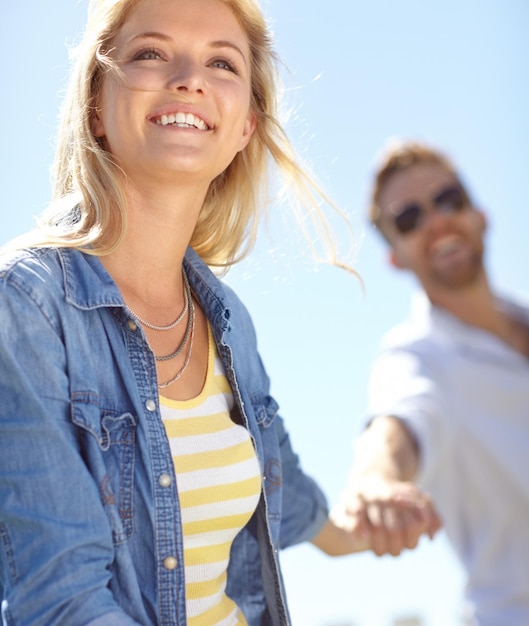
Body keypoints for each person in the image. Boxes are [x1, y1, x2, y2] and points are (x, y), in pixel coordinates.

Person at [0, 1, 369, 624]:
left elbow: (285, 494)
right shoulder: (26, 305)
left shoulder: (229, 321)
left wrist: (367, 526)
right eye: (150, 53)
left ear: (246, 124)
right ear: (95, 102)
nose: (189, 78)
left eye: (222, 62)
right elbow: (60, 599)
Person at [344, 139, 529, 626]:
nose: (436, 221)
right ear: (396, 257)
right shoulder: (418, 357)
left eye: (448, 200)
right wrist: (375, 480)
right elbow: (397, 421)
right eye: (408, 218)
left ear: (479, 214)